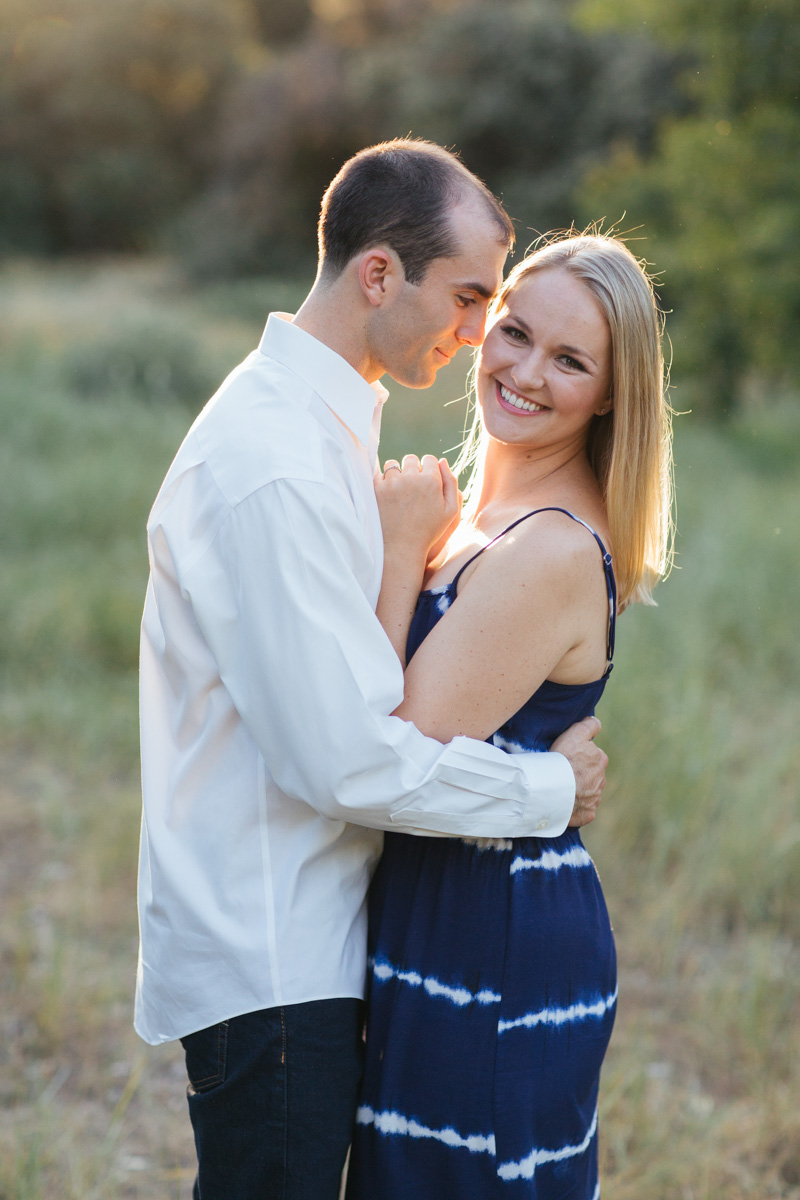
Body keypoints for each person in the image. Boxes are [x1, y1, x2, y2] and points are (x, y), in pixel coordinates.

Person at [135, 140, 609, 1200]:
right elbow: (346, 762)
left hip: (312, 943)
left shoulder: (325, 428)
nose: (483, 333)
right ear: (379, 275)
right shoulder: (276, 466)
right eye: (472, 296)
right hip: (273, 958)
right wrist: (545, 787)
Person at [346, 232, 674, 1199]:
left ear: (611, 394)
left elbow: (385, 752)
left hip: (494, 936)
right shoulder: (482, 518)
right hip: (434, 910)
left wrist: (402, 547)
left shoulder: (552, 547)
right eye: (515, 333)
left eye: (569, 360)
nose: (524, 373)